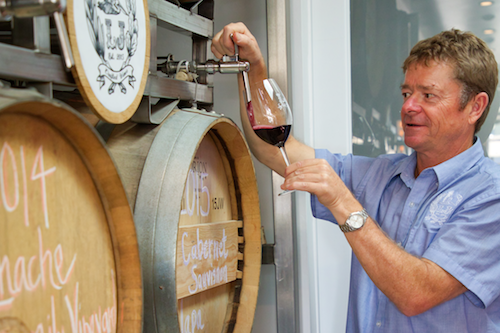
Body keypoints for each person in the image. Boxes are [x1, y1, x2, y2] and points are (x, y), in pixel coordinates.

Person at [212, 23, 500, 332]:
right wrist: (253, 69)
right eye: (406, 93)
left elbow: (416, 293)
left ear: (475, 106)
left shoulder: (489, 196)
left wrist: (342, 202)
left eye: (428, 95)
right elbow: (272, 149)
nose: (407, 107)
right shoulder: (381, 175)